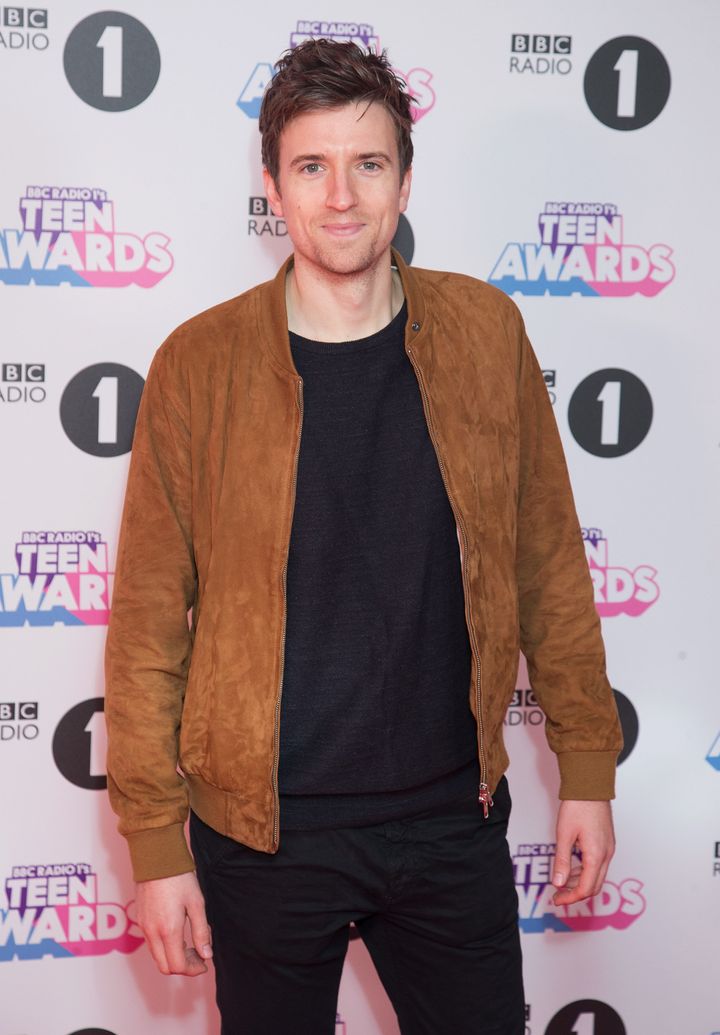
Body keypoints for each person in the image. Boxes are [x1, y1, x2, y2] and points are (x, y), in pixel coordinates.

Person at [105, 38, 622, 1035]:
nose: (341, 196)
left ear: (404, 179)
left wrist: (586, 773)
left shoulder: (484, 333)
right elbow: (146, 628)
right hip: (262, 840)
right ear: (274, 185)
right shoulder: (198, 366)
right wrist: (156, 847)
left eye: (368, 163)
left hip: (448, 824)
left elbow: (548, 563)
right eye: (312, 166)